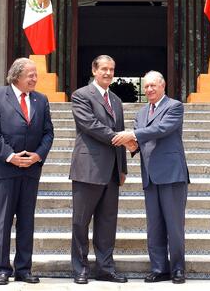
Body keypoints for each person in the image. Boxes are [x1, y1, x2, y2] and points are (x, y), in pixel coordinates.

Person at [112, 70, 189, 284]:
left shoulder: (174, 106)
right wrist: (129, 144)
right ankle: (159, 268)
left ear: (163, 86)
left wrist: (133, 135)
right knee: (154, 225)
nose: (149, 89)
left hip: (172, 175)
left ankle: (177, 269)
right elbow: (139, 143)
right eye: (146, 86)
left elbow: (161, 129)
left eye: (153, 85)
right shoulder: (141, 112)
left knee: (174, 225)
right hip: (150, 175)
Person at [0, 58, 54, 286]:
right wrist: (11, 156)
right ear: (16, 76)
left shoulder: (41, 100)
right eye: (30, 75)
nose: (35, 78)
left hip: (31, 169)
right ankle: (1, 269)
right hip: (6, 168)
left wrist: (37, 155)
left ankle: (24, 269)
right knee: (3, 220)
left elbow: (48, 133)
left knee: (27, 221)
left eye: (35, 75)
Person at [70, 55, 128, 284]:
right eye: (104, 69)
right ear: (94, 70)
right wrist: (119, 138)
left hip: (112, 171)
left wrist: (122, 168)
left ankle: (105, 268)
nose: (108, 73)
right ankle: (80, 268)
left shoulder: (115, 100)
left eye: (112, 69)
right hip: (88, 168)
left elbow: (121, 131)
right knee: (80, 221)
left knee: (107, 222)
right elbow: (90, 126)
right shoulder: (81, 95)